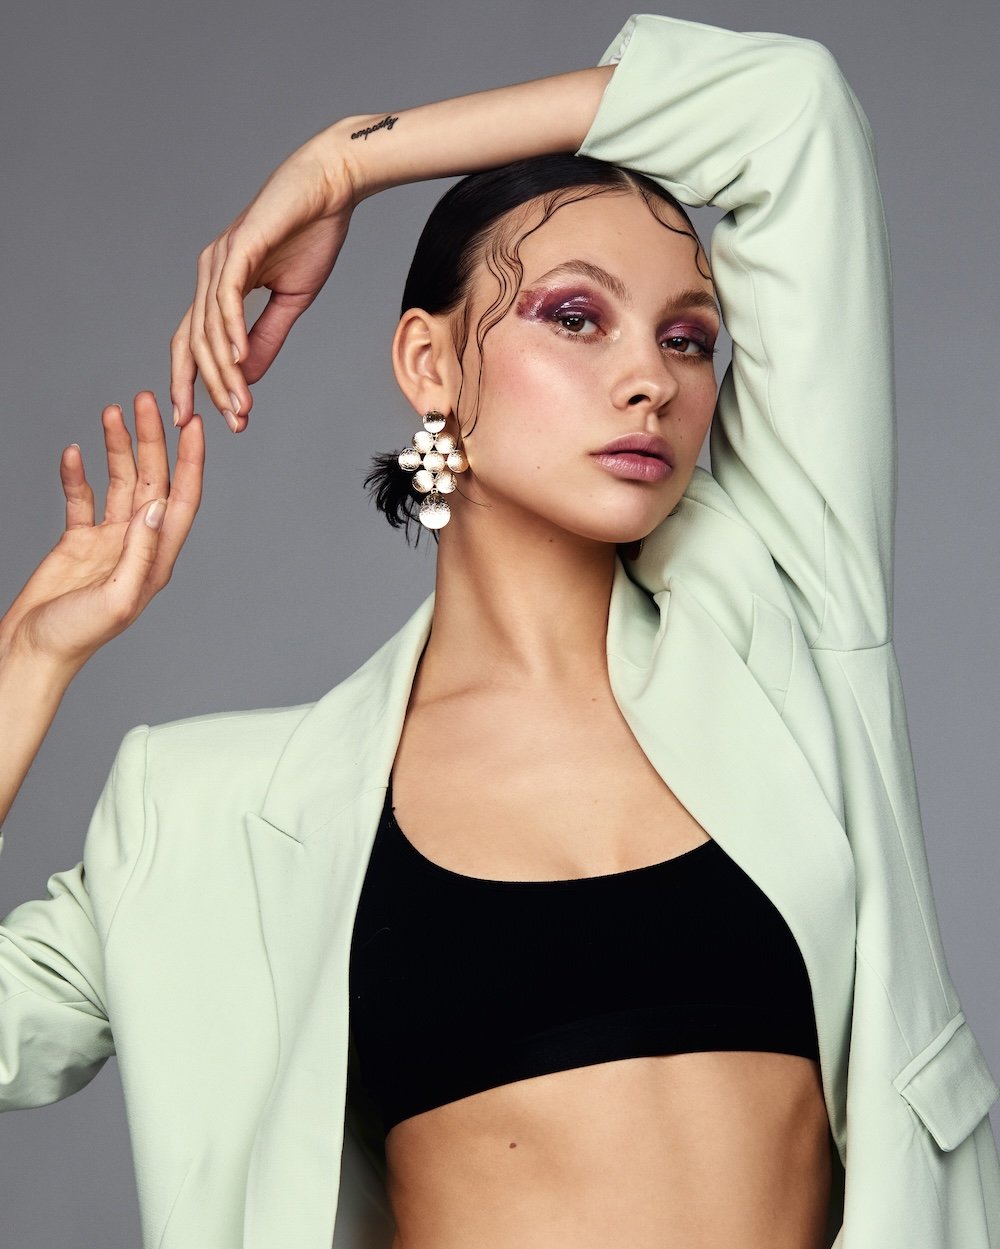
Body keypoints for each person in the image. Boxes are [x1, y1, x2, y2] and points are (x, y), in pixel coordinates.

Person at [1, 12, 998, 1248]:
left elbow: (788, 109)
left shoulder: (785, 610)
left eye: (687, 338)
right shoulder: (216, 809)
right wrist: (28, 662)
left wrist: (346, 162)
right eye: (575, 317)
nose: (650, 377)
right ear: (428, 363)